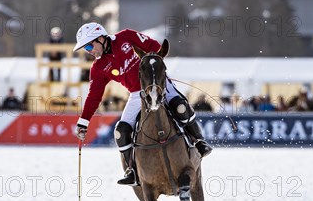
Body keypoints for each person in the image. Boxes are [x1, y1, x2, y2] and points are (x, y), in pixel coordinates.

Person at [73, 22, 212, 186]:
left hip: (158, 86)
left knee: (180, 106)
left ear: (101, 38)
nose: (89, 52)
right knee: (121, 131)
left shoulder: (126, 36)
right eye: (86, 50)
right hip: (136, 94)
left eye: (89, 47)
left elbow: (154, 47)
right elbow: (94, 95)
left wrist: (153, 69)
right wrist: (84, 122)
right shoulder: (99, 67)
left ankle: (199, 141)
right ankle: (131, 170)